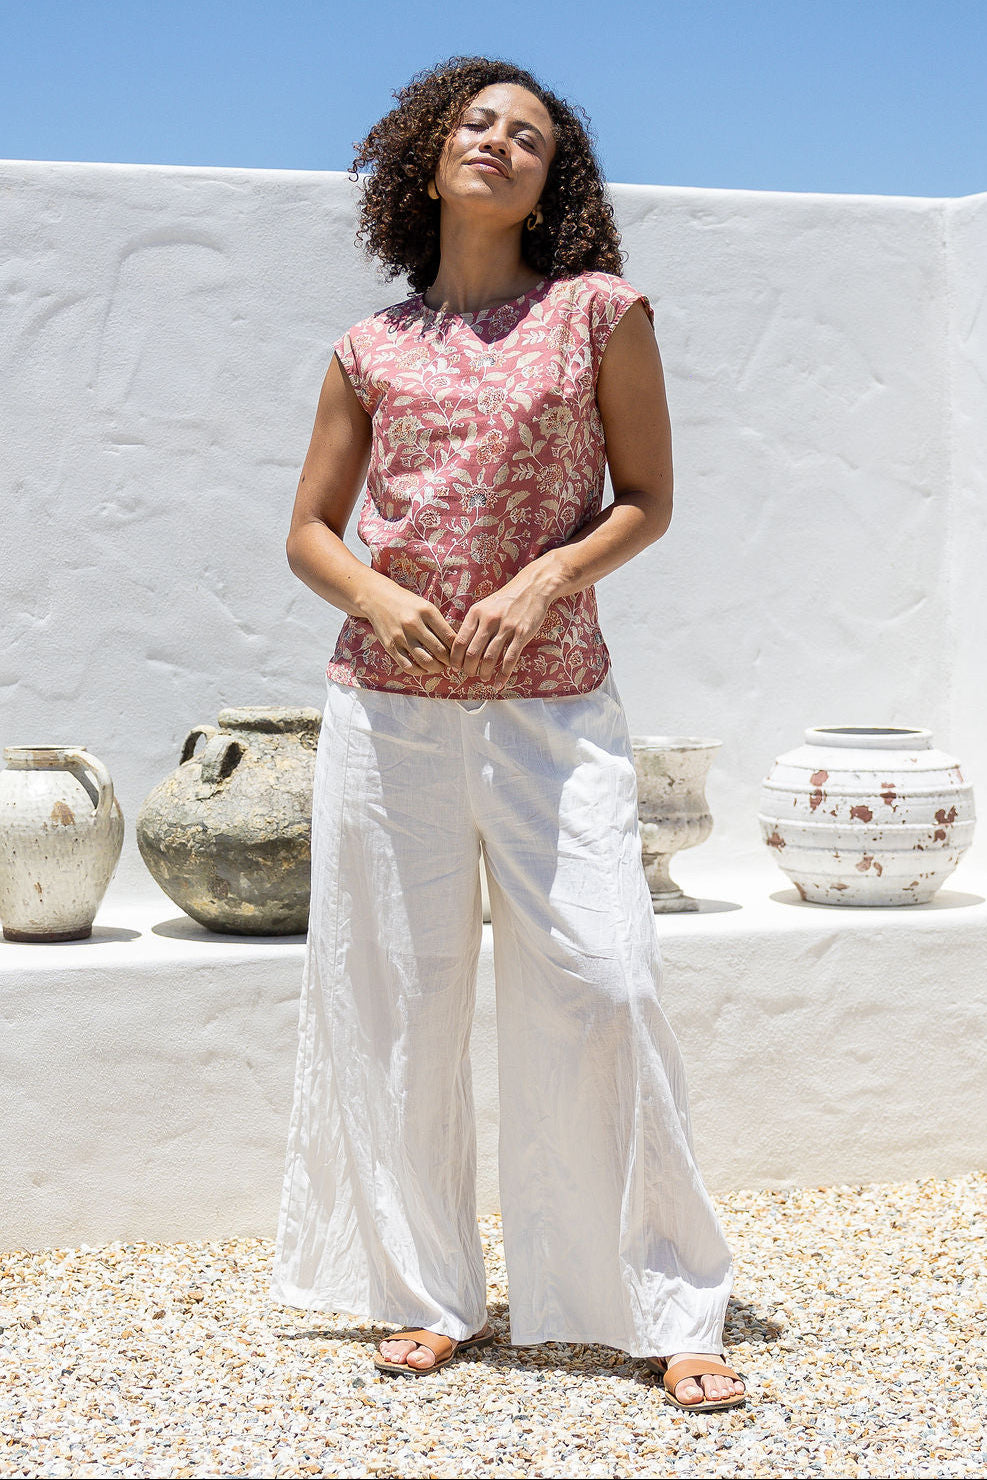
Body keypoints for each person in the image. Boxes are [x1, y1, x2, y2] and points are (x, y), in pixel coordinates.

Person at [270, 55, 746, 1413]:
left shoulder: (600, 313)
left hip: (555, 710)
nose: (499, 142)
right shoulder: (369, 348)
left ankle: (665, 1302)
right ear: (427, 161)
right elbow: (309, 531)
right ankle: (426, 1295)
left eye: (529, 136)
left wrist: (548, 578)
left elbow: (646, 497)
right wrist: (375, 596)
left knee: (607, 982)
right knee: (399, 1006)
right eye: (476, 125)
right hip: (389, 718)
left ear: (554, 180)